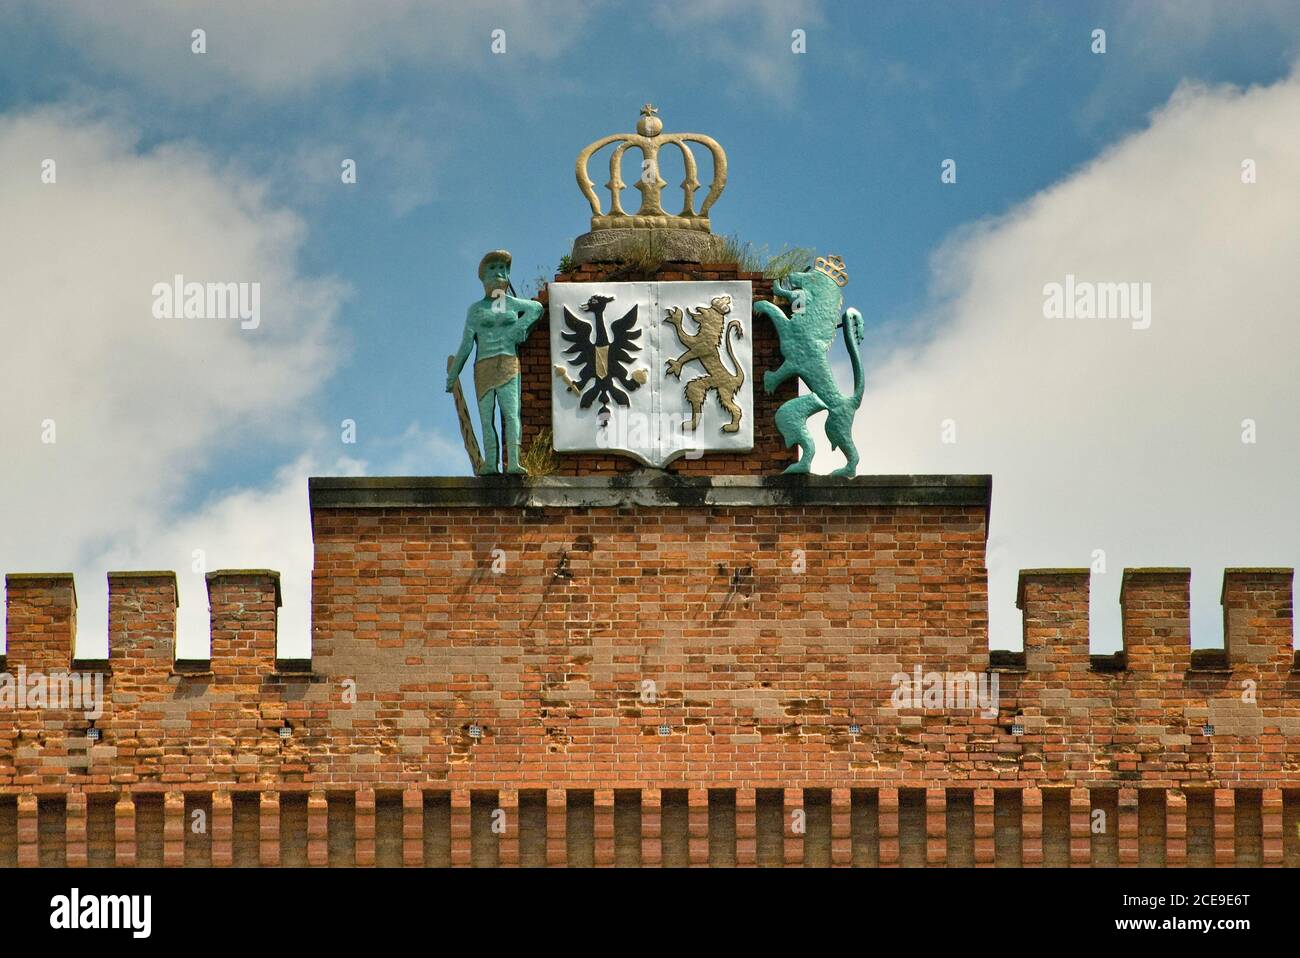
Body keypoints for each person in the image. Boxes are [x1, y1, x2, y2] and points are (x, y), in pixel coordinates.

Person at [446, 250, 544, 474]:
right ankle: (491, 462)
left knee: (511, 414)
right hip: (484, 366)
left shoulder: (510, 303)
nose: (499, 272)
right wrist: (453, 375)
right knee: (486, 416)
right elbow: (466, 345)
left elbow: (536, 309)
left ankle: (515, 462)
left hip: (508, 362)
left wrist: (518, 329)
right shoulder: (476, 310)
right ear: (483, 276)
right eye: (493, 268)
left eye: (503, 268)